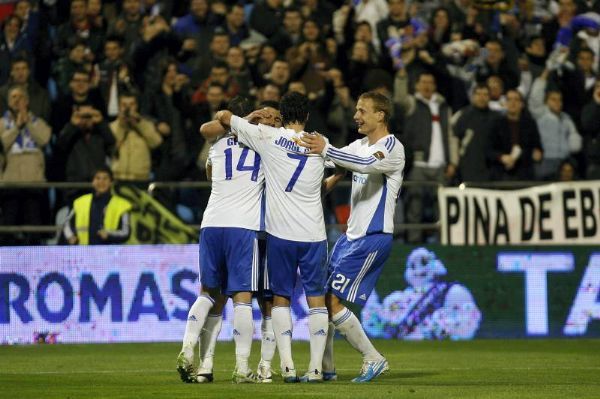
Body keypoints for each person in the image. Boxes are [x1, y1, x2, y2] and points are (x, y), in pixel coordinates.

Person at [216, 92, 344, 383]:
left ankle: (287, 366)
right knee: (316, 302)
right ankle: (314, 369)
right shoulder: (320, 143)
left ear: (282, 116)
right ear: (307, 116)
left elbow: (223, 116)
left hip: (279, 234)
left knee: (281, 299)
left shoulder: (267, 137)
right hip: (313, 235)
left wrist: (249, 118)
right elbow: (342, 164)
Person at [299, 91, 405, 382]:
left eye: (362, 110)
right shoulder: (358, 145)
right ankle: (327, 368)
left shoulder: (392, 147)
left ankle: (374, 358)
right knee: (322, 300)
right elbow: (335, 162)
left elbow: (365, 164)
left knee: (332, 302)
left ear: (380, 115)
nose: (356, 115)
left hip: (373, 236)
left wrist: (327, 148)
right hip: (349, 237)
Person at [177, 98, 283, 384]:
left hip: (211, 224)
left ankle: (194, 356)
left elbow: (210, 172)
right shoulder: (268, 147)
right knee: (243, 298)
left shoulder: (218, 144)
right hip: (243, 227)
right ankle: (241, 366)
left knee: (208, 294)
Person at [63, 166, 132, 245]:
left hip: (110, 254)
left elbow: (126, 232)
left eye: (105, 178)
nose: (101, 182)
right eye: (97, 178)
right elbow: (67, 224)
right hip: (84, 253)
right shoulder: (80, 202)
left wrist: (109, 235)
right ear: (93, 181)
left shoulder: (122, 205)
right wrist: (70, 237)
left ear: (111, 182)